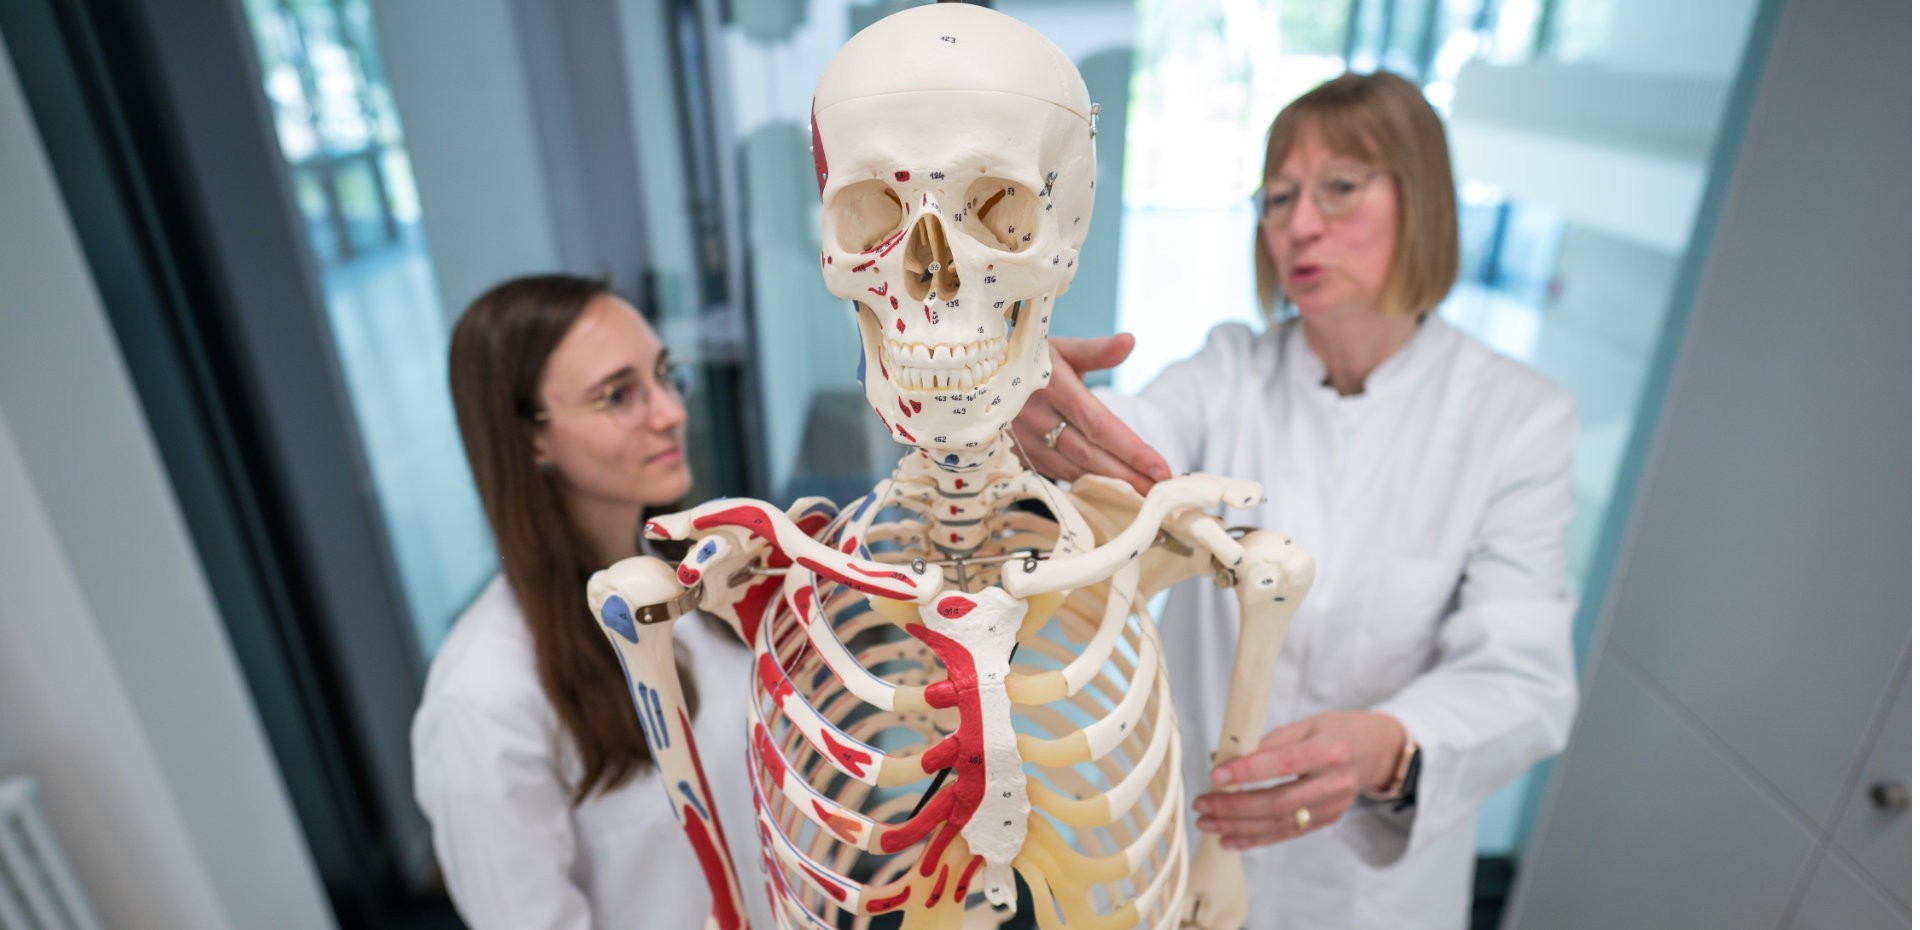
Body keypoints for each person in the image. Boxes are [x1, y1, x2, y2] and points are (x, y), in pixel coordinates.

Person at [1013, 72, 1580, 929]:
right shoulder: (1229, 371)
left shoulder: (1517, 419)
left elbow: (1523, 676)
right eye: (1277, 199)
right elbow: (1137, 439)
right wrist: (1044, 410)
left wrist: (1386, 748)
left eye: (1339, 188)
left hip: (1364, 888)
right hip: (1177, 842)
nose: (1299, 225)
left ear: (1421, 199)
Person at [412, 274, 773, 930]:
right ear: (532, 439)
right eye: (619, 395)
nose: (670, 411)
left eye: (666, 376)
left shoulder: (699, 588)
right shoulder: (482, 698)